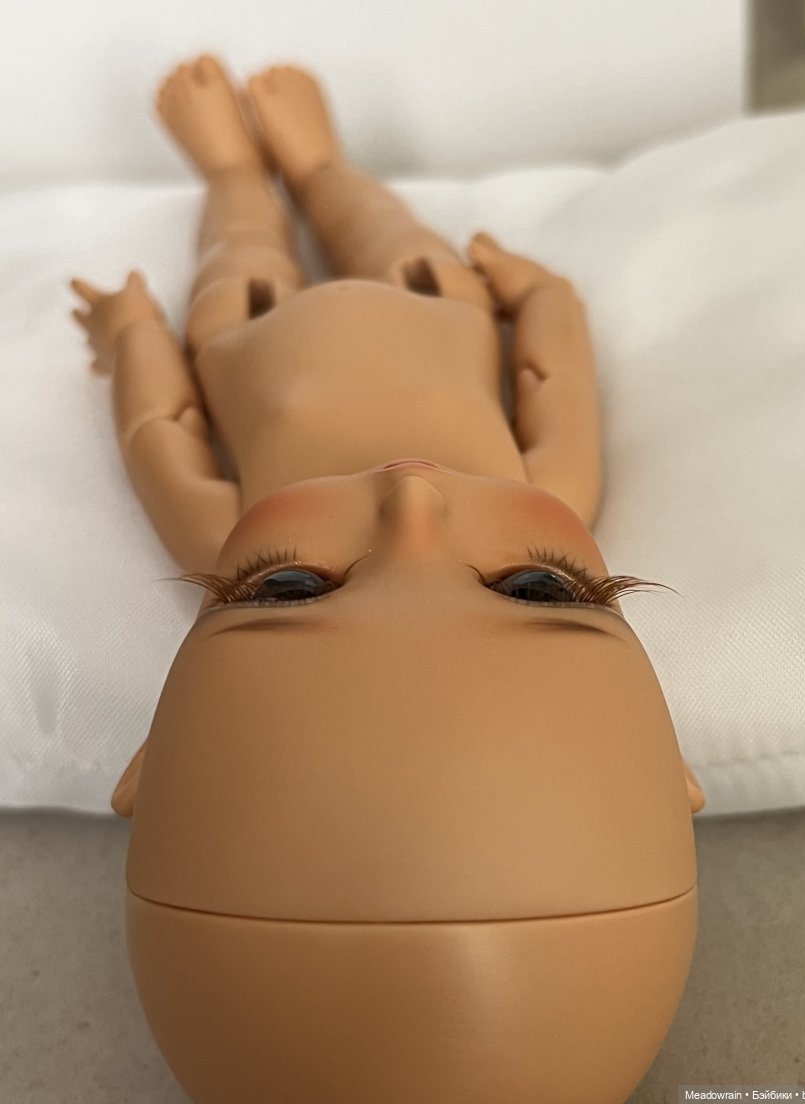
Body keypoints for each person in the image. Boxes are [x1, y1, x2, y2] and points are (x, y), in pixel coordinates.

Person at [70, 54, 705, 1104]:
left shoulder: (222, 527)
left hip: (252, 328)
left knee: (240, 245)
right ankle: (321, 167)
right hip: (433, 301)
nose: (414, 500)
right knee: (379, 223)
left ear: (153, 763)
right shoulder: (546, 482)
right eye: (535, 589)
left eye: (292, 588)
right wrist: (546, 297)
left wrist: (133, 335)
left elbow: (162, 429)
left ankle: (237, 174)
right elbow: (554, 380)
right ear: (675, 774)